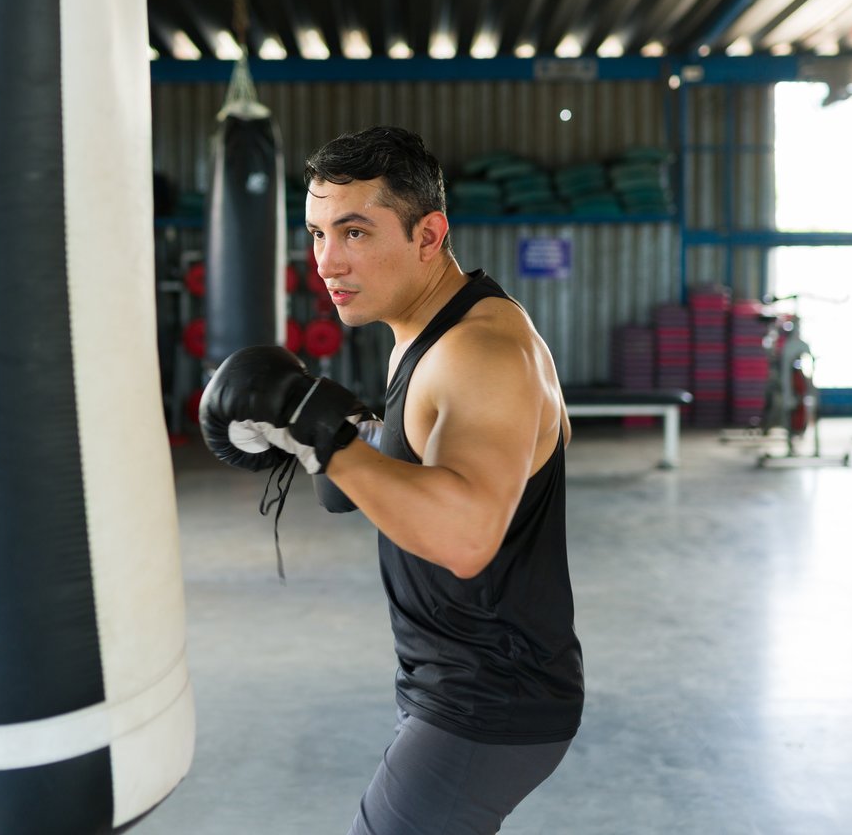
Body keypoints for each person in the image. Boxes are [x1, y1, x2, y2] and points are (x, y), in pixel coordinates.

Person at [200, 126, 583, 834]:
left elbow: (467, 538)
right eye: (317, 234)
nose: (326, 261)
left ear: (428, 235)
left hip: (488, 702)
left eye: (354, 233)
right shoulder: (425, 322)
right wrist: (365, 444)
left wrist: (329, 438)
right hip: (457, 685)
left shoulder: (479, 351)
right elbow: (468, 453)